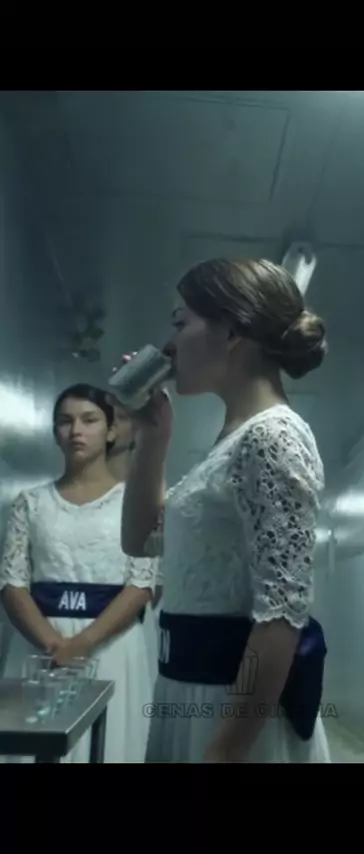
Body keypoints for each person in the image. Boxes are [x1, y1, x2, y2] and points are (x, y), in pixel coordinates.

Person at [121, 258, 331, 763]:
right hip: (189, 689)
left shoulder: (272, 437)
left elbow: (282, 613)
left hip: (232, 709)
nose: (169, 344)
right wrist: (152, 440)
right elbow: (140, 540)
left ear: (232, 331)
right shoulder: (233, 440)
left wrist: (226, 750)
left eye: (181, 322)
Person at [0, 383, 157, 762]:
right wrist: (54, 645)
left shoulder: (136, 502)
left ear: (111, 431)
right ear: (55, 432)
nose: (76, 431)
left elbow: (141, 584)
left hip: (110, 643)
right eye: (65, 421)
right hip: (40, 646)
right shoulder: (30, 503)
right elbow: (12, 583)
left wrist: (82, 645)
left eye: (89, 420)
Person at [107, 399, 162, 688]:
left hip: (131, 625)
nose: (113, 425)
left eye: (122, 417)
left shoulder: (147, 489)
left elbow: (156, 584)